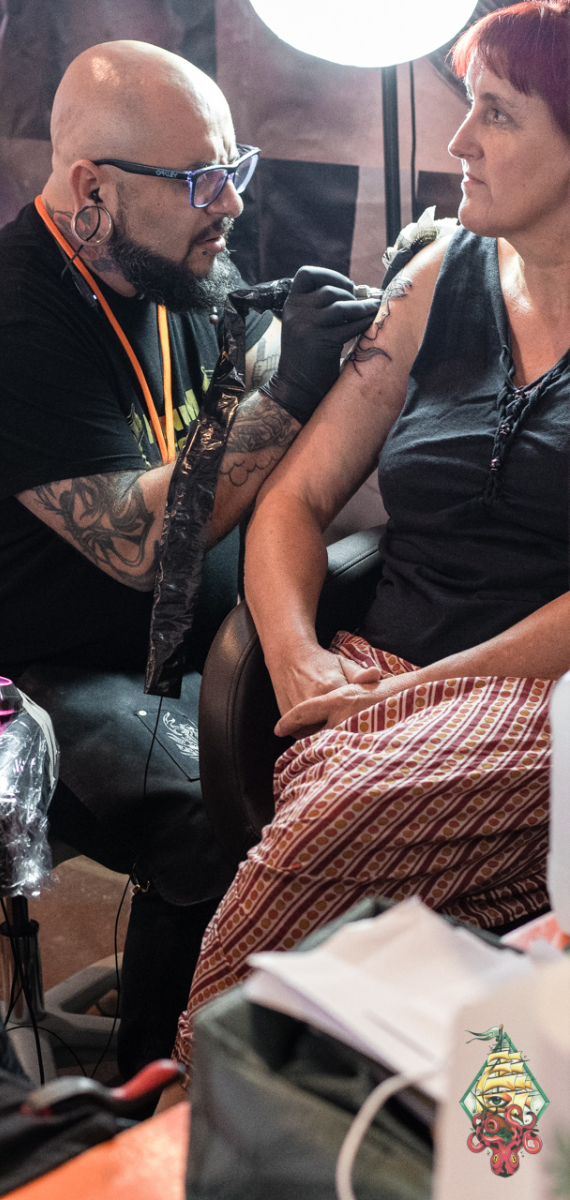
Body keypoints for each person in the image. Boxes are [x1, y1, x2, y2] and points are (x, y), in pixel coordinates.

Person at [0, 39, 377, 1076]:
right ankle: (160, 1093)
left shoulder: (165, 263)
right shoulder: (0, 321)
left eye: (234, 169)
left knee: (345, 761)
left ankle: (263, 1037)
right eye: (200, 181)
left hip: (158, 654)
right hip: (6, 682)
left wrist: (310, 339)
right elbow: (141, 544)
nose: (230, 204)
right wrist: (295, 386)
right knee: (214, 808)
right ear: (92, 190)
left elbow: (241, 374)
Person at [174, 0, 570, 1074]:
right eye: (465, 106)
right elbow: (294, 502)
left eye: (497, 113)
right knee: (357, 811)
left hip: (539, 701)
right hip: (372, 682)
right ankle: (292, 1109)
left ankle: (193, 1089)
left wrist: (419, 698)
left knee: (342, 807)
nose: (459, 141)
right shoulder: (436, 276)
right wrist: (300, 662)